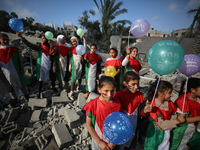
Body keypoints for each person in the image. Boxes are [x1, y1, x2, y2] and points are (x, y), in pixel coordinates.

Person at [113, 71, 152, 150]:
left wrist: (144, 111)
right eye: (133, 84)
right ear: (125, 83)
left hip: (134, 131)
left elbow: (140, 114)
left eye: (137, 84)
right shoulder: (118, 95)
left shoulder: (139, 96)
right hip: (120, 130)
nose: (136, 87)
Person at [83, 76, 124, 150]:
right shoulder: (92, 104)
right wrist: (99, 142)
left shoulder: (118, 104)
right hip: (98, 141)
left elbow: (120, 123)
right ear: (99, 89)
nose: (109, 94)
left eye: (112, 91)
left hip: (113, 141)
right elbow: (88, 125)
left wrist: (114, 141)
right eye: (106, 91)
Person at [143, 80, 186, 150]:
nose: (172, 95)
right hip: (155, 136)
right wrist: (177, 121)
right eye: (169, 93)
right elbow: (161, 124)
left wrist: (177, 117)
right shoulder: (152, 107)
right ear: (160, 93)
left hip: (166, 132)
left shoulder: (169, 103)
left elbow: (173, 114)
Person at [17, 32, 54, 99]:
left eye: (44, 38)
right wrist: (22, 38)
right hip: (41, 66)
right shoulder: (39, 47)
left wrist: (51, 45)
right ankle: (38, 93)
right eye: (42, 38)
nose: (42, 40)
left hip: (49, 66)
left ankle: (53, 90)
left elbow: (52, 54)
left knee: (51, 78)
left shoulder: (50, 47)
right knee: (40, 80)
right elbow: (29, 44)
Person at [170, 77, 200, 149]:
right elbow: (183, 120)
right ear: (192, 90)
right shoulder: (183, 101)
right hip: (182, 130)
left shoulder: (197, 98)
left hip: (193, 128)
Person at [0, 33, 30, 104]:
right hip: (4, 72)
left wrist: (22, 68)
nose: (5, 41)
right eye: (3, 40)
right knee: (9, 86)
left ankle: (26, 95)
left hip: (16, 70)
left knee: (21, 83)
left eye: (7, 40)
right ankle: (14, 98)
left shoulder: (13, 49)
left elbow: (19, 59)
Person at [68, 36, 86, 100]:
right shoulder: (71, 49)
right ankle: (71, 91)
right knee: (73, 77)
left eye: (74, 41)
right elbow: (70, 59)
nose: (73, 43)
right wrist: (70, 66)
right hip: (74, 65)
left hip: (80, 64)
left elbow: (85, 48)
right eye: (72, 42)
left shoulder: (80, 47)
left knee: (80, 75)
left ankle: (78, 87)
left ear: (77, 41)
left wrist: (84, 40)